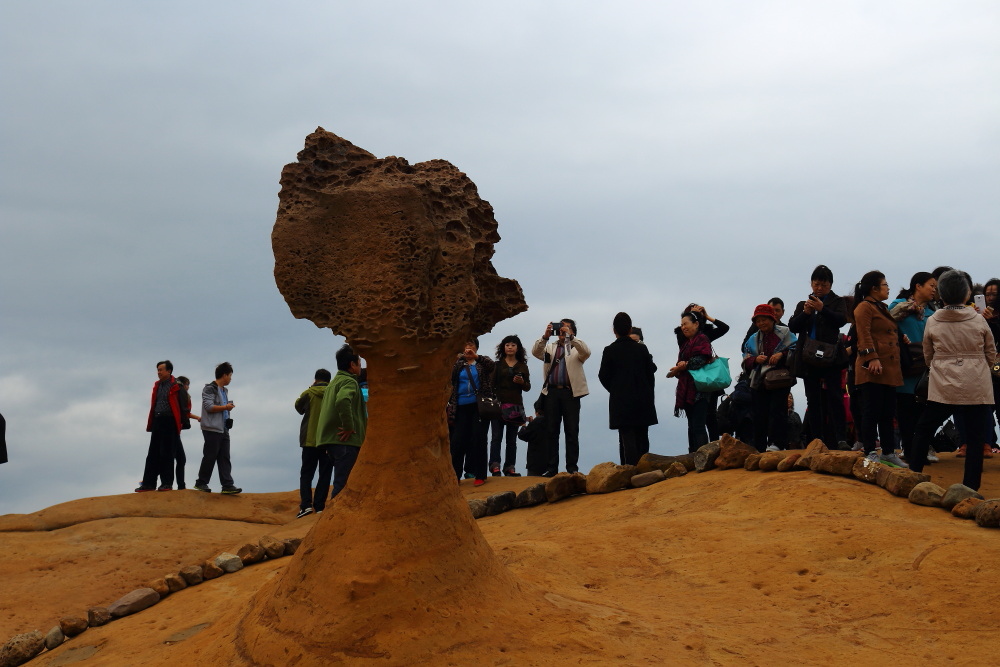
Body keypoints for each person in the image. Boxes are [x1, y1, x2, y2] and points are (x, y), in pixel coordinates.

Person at [909, 270, 997, 490]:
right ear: (967, 293)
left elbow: (928, 355)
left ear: (942, 294)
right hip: (976, 384)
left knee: (924, 428)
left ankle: (913, 476)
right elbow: (991, 354)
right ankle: (970, 486)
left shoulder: (934, 320)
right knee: (976, 438)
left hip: (943, 384)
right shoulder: (978, 320)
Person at [787, 265, 850, 450]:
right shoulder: (803, 304)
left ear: (830, 285)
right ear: (811, 283)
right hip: (808, 358)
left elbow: (841, 320)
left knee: (835, 397)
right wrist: (806, 313)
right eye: (816, 284)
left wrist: (823, 309)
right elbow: (793, 327)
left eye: (823, 284)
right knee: (812, 400)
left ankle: (841, 439)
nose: (819, 288)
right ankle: (817, 440)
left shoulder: (837, 302)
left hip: (831, 358)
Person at [853, 272, 906, 467]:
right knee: (871, 411)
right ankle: (869, 450)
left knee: (887, 413)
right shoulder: (864, 307)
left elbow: (887, 331)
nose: (888, 288)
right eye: (885, 284)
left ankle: (889, 452)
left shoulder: (881, 307)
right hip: (873, 367)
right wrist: (871, 357)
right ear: (874, 288)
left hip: (889, 367)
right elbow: (863, 334)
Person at [888, 272, 937, 465]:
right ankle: (909, 452)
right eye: (931, 285)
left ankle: (919, 452)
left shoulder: (932, 314)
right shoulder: (898, 305)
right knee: (905, 414)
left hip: (924, 371)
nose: (934, 290)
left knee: (922, 415)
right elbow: (887, 321)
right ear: (918, 286)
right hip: (904, 368)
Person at [532, 319, 591, 475]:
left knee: (572, 431)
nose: (562, 331)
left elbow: (587, 352)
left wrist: (571, 337)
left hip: (571, 393)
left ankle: (572, 468)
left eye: (566, 328)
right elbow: (536, 352)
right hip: (551, 392)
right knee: (552, 431)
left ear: (572, 331)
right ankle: (551, 468)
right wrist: (545, 336)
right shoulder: (549, 347)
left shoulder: (576, 347)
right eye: (560, 328)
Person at [599, 312, 658, 466]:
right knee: (643, 435)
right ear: (630, 328)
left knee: (627, 438)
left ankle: (630, 471)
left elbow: (602, 376)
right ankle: (645, 469)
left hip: (621, 399)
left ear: (614, 330)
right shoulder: (641, 349)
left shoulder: (610, 350)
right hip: (642, 397)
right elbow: (650, 373)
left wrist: (615, 390)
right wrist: (648, 392)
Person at [742, 304, 797, 452]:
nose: (761, 323)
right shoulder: (753, 338)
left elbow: (796, 348)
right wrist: (755, 360)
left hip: (780, 378)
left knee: (777, 411)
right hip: (759, 380)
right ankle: (759, 446)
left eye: (764, 319)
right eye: (758, 320)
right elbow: (745, 356)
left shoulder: (785, 332)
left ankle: (777, 444)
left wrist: (782, 355)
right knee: (759, 413)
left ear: (772, 319)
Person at [316, 345, 367, 499]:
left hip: (331, 440)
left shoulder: (333, 383)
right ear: (352, 365)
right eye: (359, 362)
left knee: (339, 482)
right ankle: (336, 520)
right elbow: (343, 401)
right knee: (343, 486)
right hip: (346, 441)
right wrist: (349, 427)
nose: (361, 366)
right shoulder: (349, 382)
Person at [677, 304, 730, 441]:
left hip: (706, 382)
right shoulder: (683, 337)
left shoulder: (704, 335)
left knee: (709, 417)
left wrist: (706, 317)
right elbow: (684, 349)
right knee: (694, 424)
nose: (684, 327)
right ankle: (695, 453)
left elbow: (725, 328)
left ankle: (712, 448)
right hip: (691, 382)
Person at [447, 338, 496, 486]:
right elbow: (451, 375)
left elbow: (492, 366)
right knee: (458, 441)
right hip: (460, 407)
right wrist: (460, 357)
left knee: (479, 439)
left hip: (479, 407)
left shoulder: (481, 362)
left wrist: (476, 357)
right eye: (466, 345)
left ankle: (480, 475)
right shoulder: (458, 364)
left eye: (472, 345)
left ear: (476, 348)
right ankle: (455, 476)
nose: (469, 348)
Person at [136, 360, 186, 492]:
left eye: (161, 370)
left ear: (169, 371)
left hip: (170, 421)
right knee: (152, 453)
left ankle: (167, 483)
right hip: (158, 420)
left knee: (167, 453)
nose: (158, 372)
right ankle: (148, 483)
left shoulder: (176, 385)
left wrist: (181, 422)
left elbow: (184, 405)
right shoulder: (157, 385)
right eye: (157, 370)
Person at [193, 362, 242, 494]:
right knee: (210, 455)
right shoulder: (209, 388)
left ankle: (227, 485)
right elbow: (209, 407)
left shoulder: (224, 391)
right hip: (211, 427)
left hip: (223, 428)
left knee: (224, 457)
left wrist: (227, 411)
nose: (230, 378)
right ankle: (201, 482)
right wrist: (225, 407)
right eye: (230, 375)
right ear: (224, 375)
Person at [669, 311, 713, 452]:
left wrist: (685, 365)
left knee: (698, 425)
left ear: (696, 324)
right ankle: (693, 455)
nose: (683, 327)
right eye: (681, 325)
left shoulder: (702, 338)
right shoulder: (686, 343)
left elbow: (702, 359)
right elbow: (682, 365)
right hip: (687, 389)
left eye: (686, 324)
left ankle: (703, 455)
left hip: (700, 389)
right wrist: (677, 369)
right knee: (691, 426)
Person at [489, 335, 531, 477]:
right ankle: (495, 466)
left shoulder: (522, 366)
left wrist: (521, 382)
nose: (510, 347)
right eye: (507, 345)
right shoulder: (498, 365)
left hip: (515, 406)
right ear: (503, 348)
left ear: (517, 348)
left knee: (511, 439)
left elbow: (527, 387)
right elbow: (490, 384)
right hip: (498, 405)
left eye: (513, 345)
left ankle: (509, 468)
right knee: (496, 437)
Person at [294, 369, 332, 518]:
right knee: (325, 473)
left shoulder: (308, 393)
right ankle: (320, 506)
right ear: (329, 380)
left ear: (315, 379)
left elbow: (298, 407)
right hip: (327, 440)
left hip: (309, 440)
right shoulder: (332, 393)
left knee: (306, 474)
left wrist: (311, 388)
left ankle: (306, 506)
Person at [174, 375, 200, 490]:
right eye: (187, 384)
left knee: (177, 459)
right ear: (184, 384)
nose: (188, 387)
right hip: (174, 431)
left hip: (175, 430)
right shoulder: (181, 394)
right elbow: (186, 412)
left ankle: (180, 486)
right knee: (180, 459)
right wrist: (199, 418)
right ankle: (180, 486)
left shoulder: (177, 394)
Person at [519, 396, 548, 477]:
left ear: (537, 411)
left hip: (535, 461)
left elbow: (522, 435)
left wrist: (524, 426)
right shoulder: (551, 421)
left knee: (532, 482)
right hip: (548, 461)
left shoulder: (536, 422)